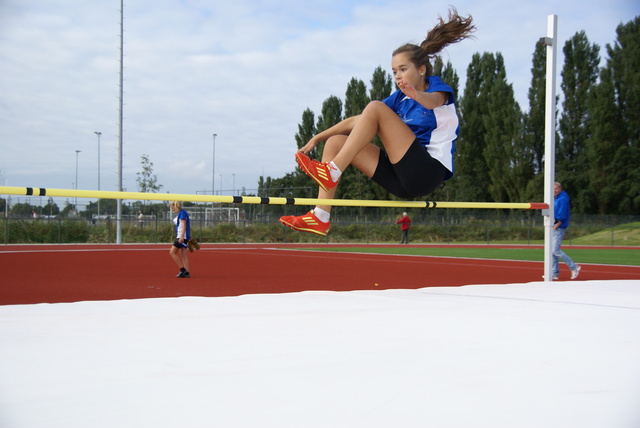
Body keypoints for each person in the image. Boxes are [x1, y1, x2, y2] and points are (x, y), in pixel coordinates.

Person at [280, 8, 475, 236]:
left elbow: (432, 102)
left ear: (422, 70)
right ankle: (320, 217)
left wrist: (417, 95)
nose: (398, 76)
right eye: (394, 72)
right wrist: (318, 136)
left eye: (403, 69)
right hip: (401, 177)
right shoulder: (399, 98)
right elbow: (360, 120)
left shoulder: (437, 88)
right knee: (335, 143)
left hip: (427, 172)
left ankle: (332, 171)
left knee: (375, 107)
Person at [552, 182, 580, 280]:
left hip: (559, 227)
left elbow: (562, 215)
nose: (554, 191)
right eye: (552, 189)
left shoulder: (562, 199)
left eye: (556, 188)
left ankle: (574, 267)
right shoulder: (555, 198)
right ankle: (554, 273)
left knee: (555, 250)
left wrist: (557, 225)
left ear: (560, 188)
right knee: (551, 251)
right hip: (553, 225)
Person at [169, 201, 192, 278]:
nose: (171, 209)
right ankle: (186, 272)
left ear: (175, 206)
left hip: (181, 236)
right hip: (183, 236)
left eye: (172, 207)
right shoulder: (182, 213)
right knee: (183, 254)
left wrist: (182, 236)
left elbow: (184, 224)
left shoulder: (182, 213)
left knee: (172, 252)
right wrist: (188, 235)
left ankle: (183, 270)